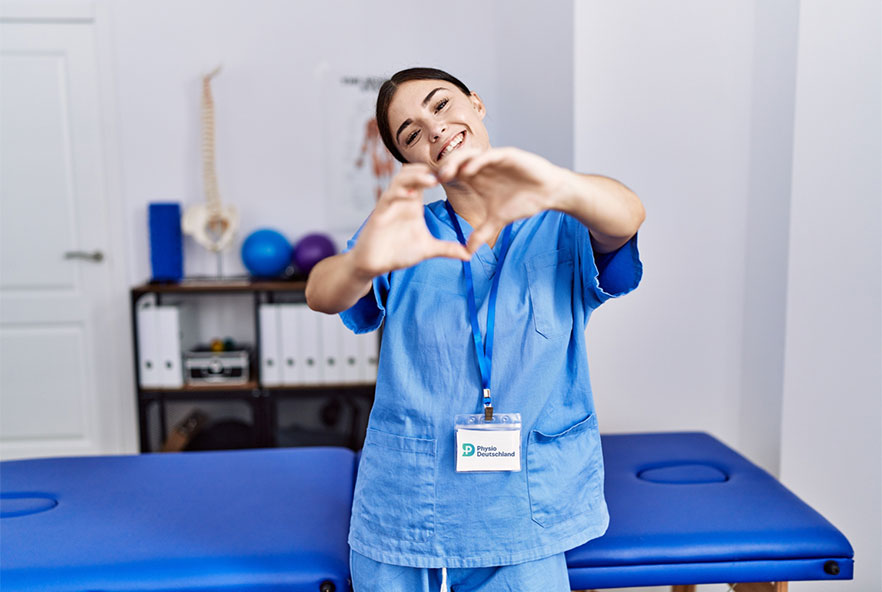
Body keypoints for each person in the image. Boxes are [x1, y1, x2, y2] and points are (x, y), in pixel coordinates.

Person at [306, 67, 644, 592]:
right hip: (404, 513)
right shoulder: (403, 230)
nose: (434, 129)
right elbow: (321, 293)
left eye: (441, 105)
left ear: (476, 104)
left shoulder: (560, 220)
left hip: (521, 518)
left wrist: (555, 184)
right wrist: (360, 265)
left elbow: (627, 214)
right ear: (408, 161)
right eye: (411, 133)